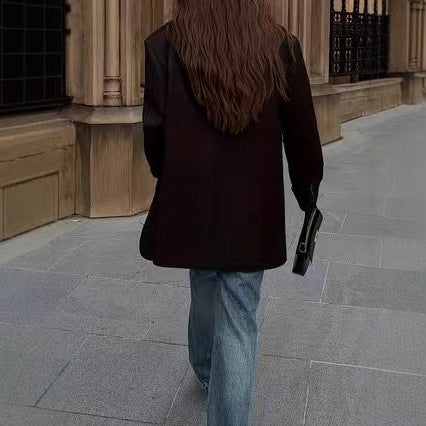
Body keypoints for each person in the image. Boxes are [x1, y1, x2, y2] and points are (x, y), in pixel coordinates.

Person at [139, 0, 324, 424]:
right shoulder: (281, 47)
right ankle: (213, 377)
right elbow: (302, 131)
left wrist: (166, 174)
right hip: (250, 213)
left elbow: (155, 129)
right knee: (239, 317)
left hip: (192, 203)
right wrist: (307, 190)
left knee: (203, 280)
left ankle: (205, 368)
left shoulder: (165, 44)